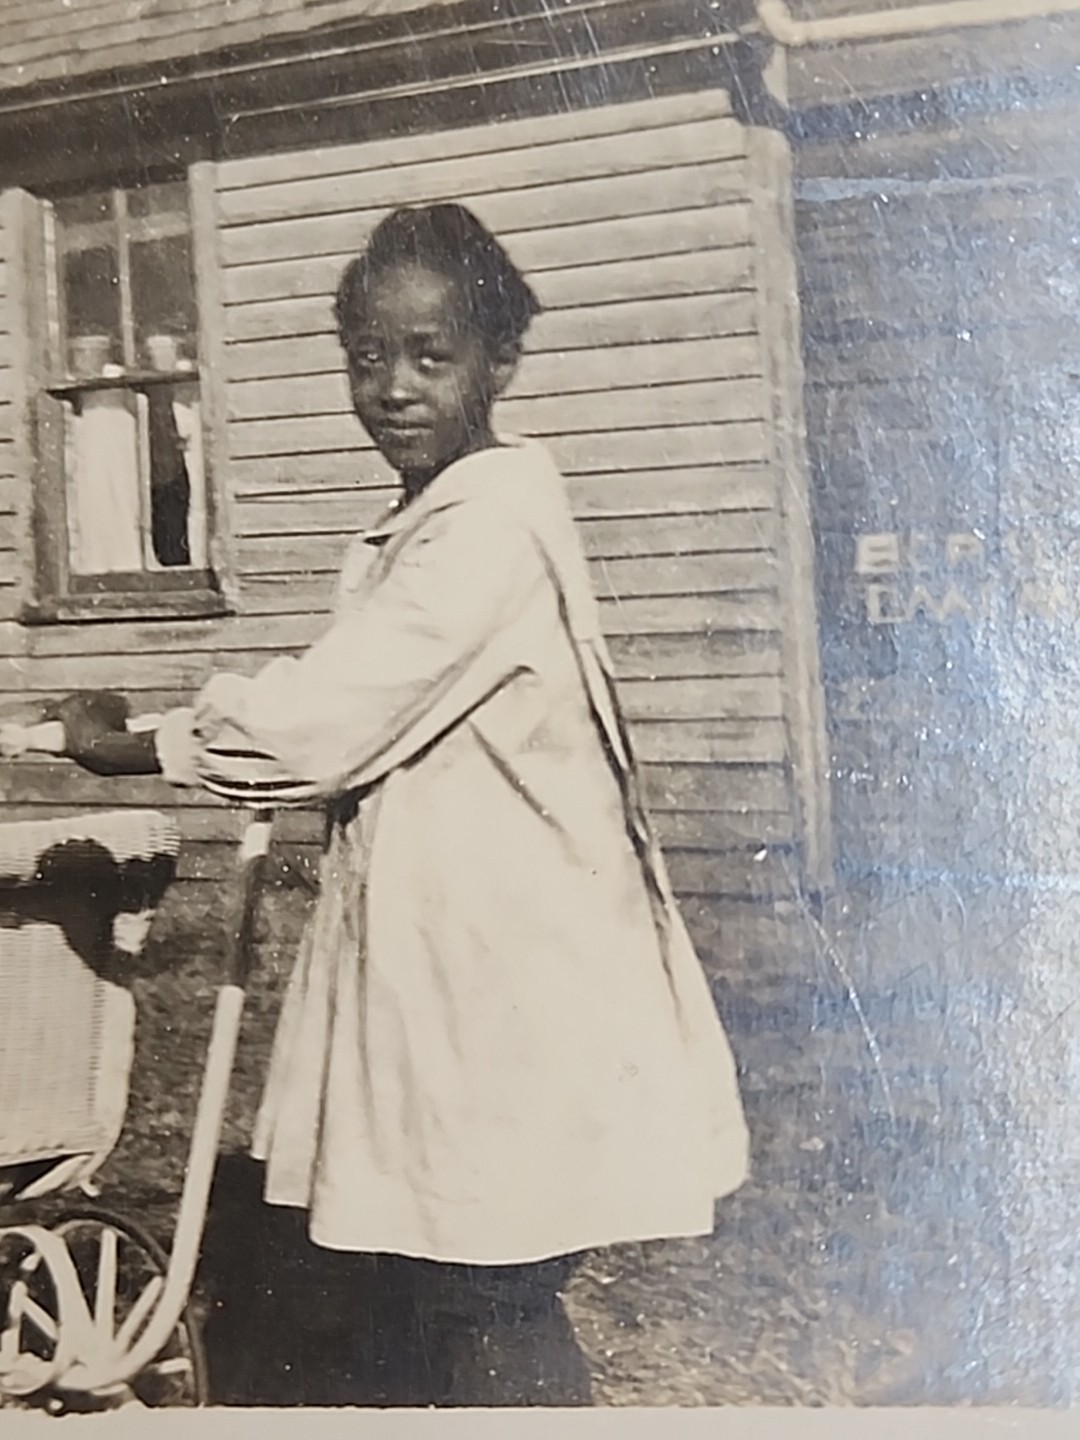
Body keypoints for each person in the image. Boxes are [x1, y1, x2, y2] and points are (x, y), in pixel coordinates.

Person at [37, 204, 751, 1406]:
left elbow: (323, 719)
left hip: (506, 972)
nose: (394, 389)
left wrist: (136, 745)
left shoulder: (490, 528)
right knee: (434, 1268)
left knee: (487, 1275)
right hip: (450, 952)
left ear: (499, 362)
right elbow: (353, 690)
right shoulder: (435, 521)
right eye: (369, 358)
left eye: (431, 356)